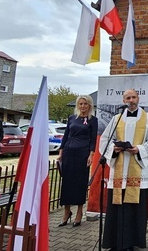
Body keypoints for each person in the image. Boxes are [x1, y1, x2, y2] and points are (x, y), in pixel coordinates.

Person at [99, 89, 148, 251]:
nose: (131, 100)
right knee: (117, 208)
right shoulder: (116, 119)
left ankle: (131, 243)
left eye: (133, 97)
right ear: (124, 100)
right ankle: (114, 242)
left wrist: (138, 149)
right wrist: (114, 149)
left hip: (137, 172)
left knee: (134, 209)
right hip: (119, 170)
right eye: (128, 97)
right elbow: (105, 139)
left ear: (138, 98)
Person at [57, 95, 98, 227]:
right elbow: (65, 135)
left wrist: (91, 155)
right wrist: (61, 151)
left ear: (89, 105)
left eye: (85, 104)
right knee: (67, 182)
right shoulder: (71, 118)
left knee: (80, 182)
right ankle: (67, 211)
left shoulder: (93, 120)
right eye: (80, 104)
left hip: (83, 153)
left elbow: (93, 139)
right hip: (69, 151)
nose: (83, 106)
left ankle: (79, 212)